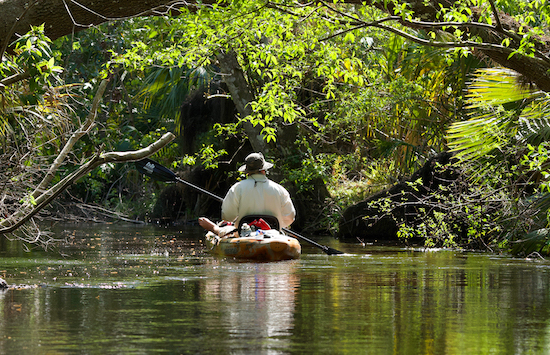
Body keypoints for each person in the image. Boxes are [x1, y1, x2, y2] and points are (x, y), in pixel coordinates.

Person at [199, 152, 296, 236]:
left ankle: (214, 228)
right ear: (264, 170)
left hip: (243, 234)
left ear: (247, 172)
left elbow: (227, 216)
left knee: (225, 230)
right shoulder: (279, 189)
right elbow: (290, 217)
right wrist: (280, 224)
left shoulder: (237, 188)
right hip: (273, 233)